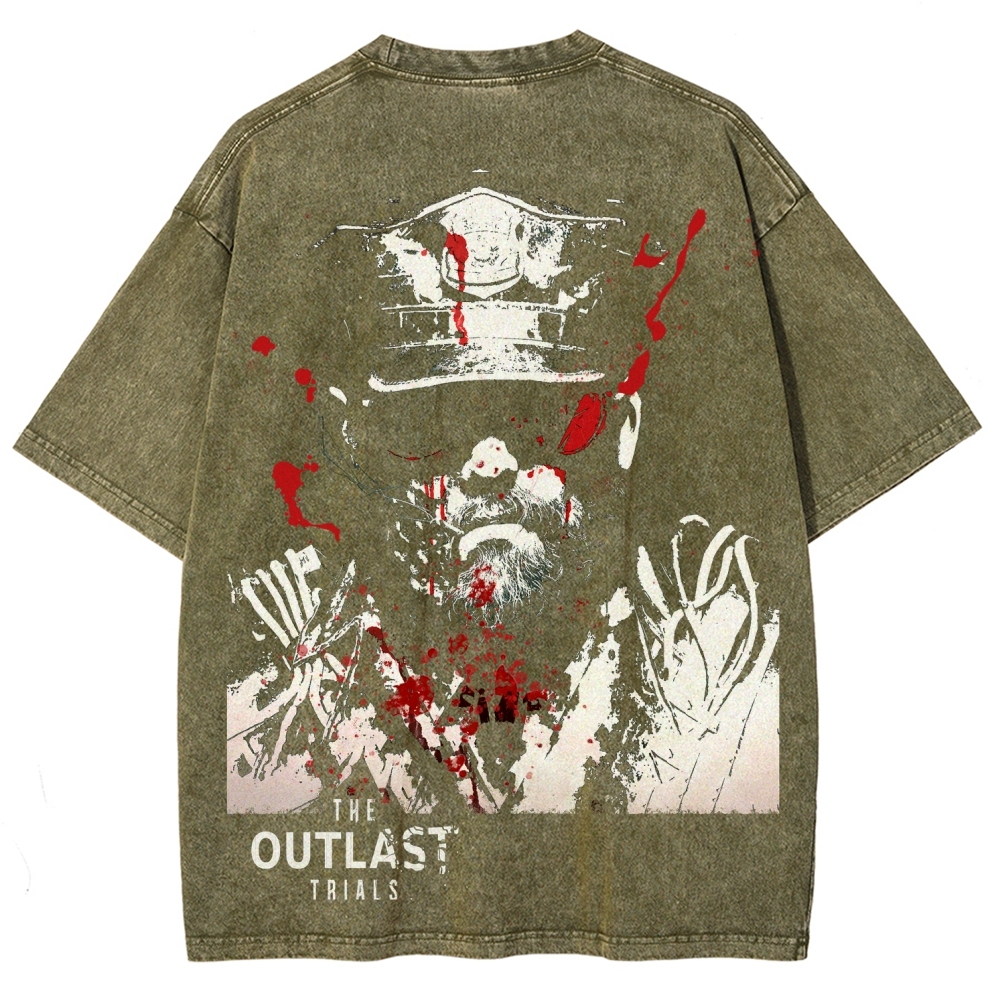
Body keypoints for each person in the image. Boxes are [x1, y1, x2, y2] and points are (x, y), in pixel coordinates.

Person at [226, 187, 779, 816]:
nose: (490, 465)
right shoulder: (268, 683)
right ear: (355, 442)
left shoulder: (732, 668)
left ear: (623, 429)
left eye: (543, 416)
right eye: (430, 424)